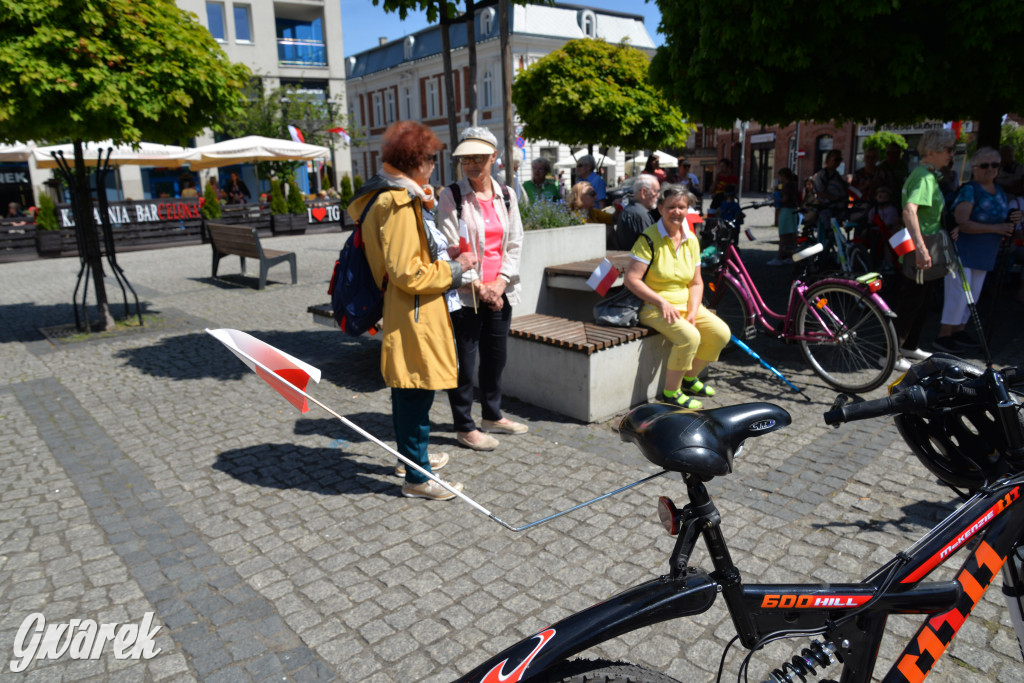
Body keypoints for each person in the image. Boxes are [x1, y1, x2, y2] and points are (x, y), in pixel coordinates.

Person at [348, 120, 477, 500]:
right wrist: (457, 269)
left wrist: (442, 256)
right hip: (414, 309)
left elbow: (403, 262)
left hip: (408, 308)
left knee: (410, 388)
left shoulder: (388, 196)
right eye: (431, 158)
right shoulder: (397, 202)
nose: (434, 166)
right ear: (417, 161)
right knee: (416, 389)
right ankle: (418, 479)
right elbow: (409, 273)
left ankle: (411, 459)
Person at [437, 126, 527, 452]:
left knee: (495, 357)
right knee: (464, 360)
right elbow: (449, 247)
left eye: (479, 157)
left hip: (500, 291)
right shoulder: (452, 196)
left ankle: (492, 414)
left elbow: (515, 243)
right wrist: (479, 286)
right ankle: (464, 425)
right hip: (465, 295)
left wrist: (500, 283)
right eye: (466, 159)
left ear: (494, 157)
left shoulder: (507, 194)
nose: (472, 164)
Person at [623, 185, 730, 410]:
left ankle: (690, 378)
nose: (677, 211)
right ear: (660, 208)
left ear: (688, 209)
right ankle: (671, 393)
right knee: (690, 337)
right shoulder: (649, 239)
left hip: (685, 303)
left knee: (721, 334)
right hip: (654, 305)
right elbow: (632, 280)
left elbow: (696, 282)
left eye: (682, 207)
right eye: (671, 206)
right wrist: (661, 302)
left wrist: (693, 310)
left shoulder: (691, 239)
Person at [934, 147, 1021, 353]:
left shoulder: (999, 191)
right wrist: (997, 228)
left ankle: (959, 331)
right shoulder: (970, 190)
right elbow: (962, 222)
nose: (990, 169)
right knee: (958, 296)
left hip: (984, 254)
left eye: (995, 165)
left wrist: (1012, 217)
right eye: (984, 165)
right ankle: (945, 335)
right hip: (964, 252)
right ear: (974, 168)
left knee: (972, 296)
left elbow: (999, 216)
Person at [895, 128, 956, 370]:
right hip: (922, 245)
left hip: (926, 244)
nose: (951, 154)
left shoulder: (927, 175)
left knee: (922, 299)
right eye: (948, 150)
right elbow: (909, 211)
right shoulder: (923, 177)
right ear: (931, 152)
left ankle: (909, 345)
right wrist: (921, 249)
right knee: (911, 300)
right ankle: (891, 353)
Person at [614, 174, 660, 251]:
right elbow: (650, 247)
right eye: (656, 191)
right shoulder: (640, 215)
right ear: (644, 192)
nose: (658, 195)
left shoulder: (631, 210)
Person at [768, 168, 799, 266]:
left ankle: (780, 257)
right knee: (792, 235)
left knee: (783, 235)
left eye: (780, 176)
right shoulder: (794, 185)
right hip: (793, 210)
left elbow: (785, 199)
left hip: (786, 211)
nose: (779, 178)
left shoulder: (786, 186)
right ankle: (791, 256)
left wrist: (776, 200)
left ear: (784, 176)